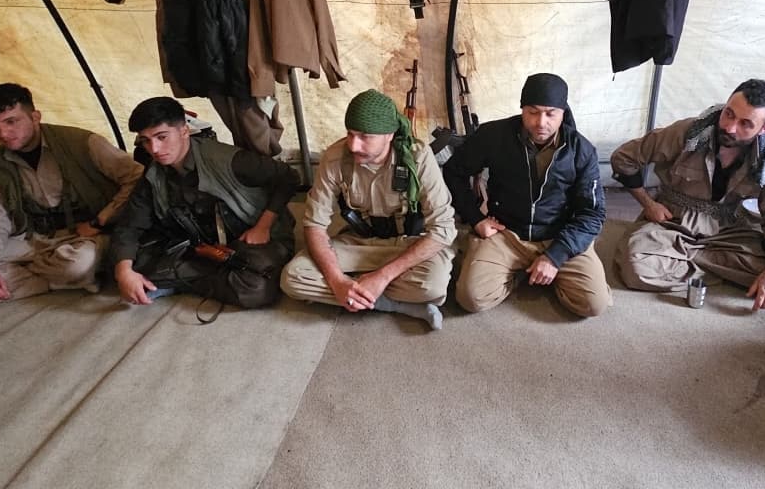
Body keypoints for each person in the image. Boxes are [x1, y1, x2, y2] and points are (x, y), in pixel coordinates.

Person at [0, 84, 142, 304]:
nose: (2, 134)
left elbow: (137, 178)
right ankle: (58, 280)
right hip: (33, 239)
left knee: (78, 263)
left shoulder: (82, 143)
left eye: (11, 121)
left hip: (85, 236)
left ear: (35, 117)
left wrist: (100, 220)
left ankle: (54, 276)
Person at [611, 78, 765, 309]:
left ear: (764, 128)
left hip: (728, 231)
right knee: (634, 264)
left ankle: (686, 264)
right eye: (729, 114)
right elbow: (624, 158)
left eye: (745, 124)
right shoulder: (688, 132)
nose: (730, 127)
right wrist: (648, 203)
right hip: (673, 224)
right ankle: (721, 271)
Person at [281, 90, 456, 330]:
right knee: (293, 277)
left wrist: (383, 276)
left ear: (389, 135)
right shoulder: (335, 158)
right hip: (359, 242)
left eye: (365, 136)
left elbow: (444, 229)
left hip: (408, 242)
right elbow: (314, 224)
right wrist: (337, 281)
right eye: (350, 134)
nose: (354, 145)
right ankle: (394, 304)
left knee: (433, 285)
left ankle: (361, 289)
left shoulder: (418, 157)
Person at [443, 73, 610, 317]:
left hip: (560, 235)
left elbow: (592, 213)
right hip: (507, 233)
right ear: (522, 109)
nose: (541, 122)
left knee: (593, 304)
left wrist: (555, 257)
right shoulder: (494, 135)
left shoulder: (581, 150)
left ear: (563, 112)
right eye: (533, 112)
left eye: (551, 114)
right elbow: (454, 171)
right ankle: (522, 270)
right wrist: (476, 219)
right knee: (470, 297)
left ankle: (543, 268)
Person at [111, 97, 298, 309]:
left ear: (184, 131)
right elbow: (130, 225)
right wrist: (124, 271)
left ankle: (179, 280)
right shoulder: (153, 174)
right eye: (145, 140)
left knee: (256, 287)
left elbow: (289, 177)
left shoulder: (227, 159)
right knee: (123, 263)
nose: (154, 148)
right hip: (199, 246)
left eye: (162, 137)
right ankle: (204, 276)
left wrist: (263, 226)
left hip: (250, 239)